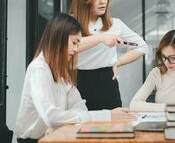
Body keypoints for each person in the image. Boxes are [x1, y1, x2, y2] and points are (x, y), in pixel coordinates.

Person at [15, 14, 133, 143]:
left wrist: (63, 121)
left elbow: (79, 107)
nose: (77, 49)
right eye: (74, 43)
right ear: (59, 39)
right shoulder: (39, 69)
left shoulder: (61, 71)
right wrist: (107, 115)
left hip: (53, 136)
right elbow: (51, 116)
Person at [69, 0, 148, 110]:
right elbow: (67, 46)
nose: (102, 1)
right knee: (79, 126)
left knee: (112, 127)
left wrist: (118, 62)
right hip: (78, 82)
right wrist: (101, 38)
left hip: (107, 83)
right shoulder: (71, 22)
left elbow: (142, 46)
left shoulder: (115, 24)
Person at [129, 29, 175, 112]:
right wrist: (169, 107)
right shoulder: (157, 73)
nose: (166, 63)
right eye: (164, 57)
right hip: (163, 123)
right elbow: (134, 105)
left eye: (173, 58)